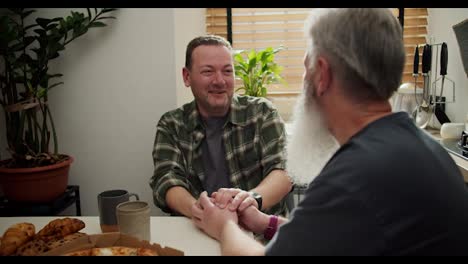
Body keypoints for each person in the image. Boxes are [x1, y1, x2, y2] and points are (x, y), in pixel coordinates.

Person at [191, 8, 468, 255]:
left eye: (304, 68)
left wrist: (225, 227)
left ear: (322, 74)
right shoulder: (415, 147)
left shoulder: (356, 176)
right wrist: (264, 222)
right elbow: (331, 237)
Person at [150, 35, 293, 218]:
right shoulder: (172, 125)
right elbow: (167, 180)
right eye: (208, 72)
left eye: (227, 71)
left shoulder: (262, 113)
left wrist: (250, 200)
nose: (219, 81)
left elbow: (283, 171)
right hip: (198, 229)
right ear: (187, 77)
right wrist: (200, 212)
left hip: (260, 231)